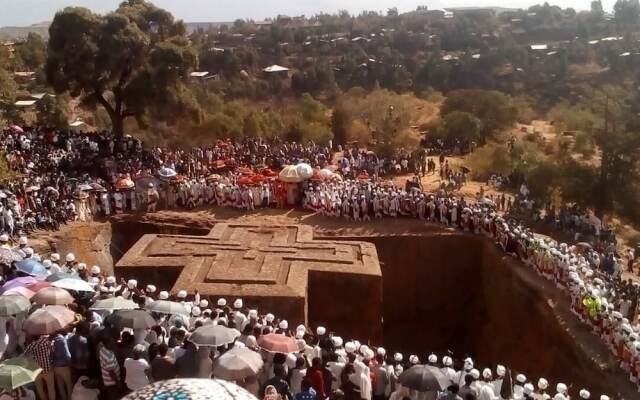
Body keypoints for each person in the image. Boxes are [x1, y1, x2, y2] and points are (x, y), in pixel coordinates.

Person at [25, 334, 55, 400]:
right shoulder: (46, 342)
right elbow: (53, 350)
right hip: (47, 369)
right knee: (51, 388)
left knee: (40, 389)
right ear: (40, 335)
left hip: (37, 371)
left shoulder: (31, 345)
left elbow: (25, 356)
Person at [51, 330, 73, 400]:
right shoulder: (61, 339)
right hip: (64, 365)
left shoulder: (49, 339)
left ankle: (64, 398)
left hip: (55, 365)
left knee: (60, 384)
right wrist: (70, 362)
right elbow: (67, 354)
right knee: (69, 384)